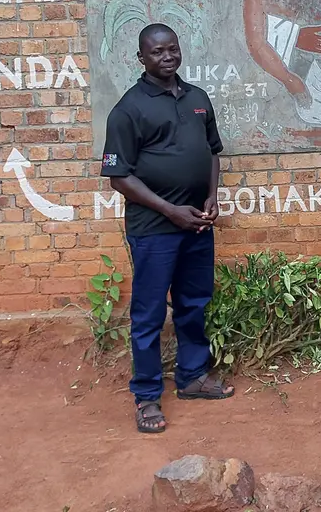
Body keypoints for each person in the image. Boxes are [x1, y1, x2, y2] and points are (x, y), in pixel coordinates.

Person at [100, 23, 234, 434]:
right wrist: (170, 210)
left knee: (194, 303)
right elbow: (118, 177)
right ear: (141, 59)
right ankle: (146, 397)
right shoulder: (129, 109)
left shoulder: (197, 99)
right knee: (149, 314)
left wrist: (210, 197)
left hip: (197, 223)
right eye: (157, 52)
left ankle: (193, 377)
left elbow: (212, 152)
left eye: (172, 49)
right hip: (154, 229)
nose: (167, 57)